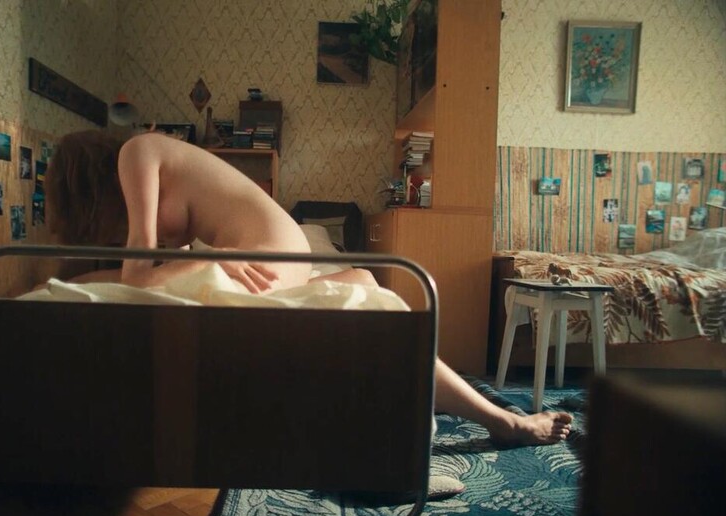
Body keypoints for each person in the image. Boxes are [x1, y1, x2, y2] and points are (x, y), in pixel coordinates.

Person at [46, 129, 572, 446]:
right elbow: (151, 273)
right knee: (366, 288)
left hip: (267, 258)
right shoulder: (158, 163)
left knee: (134, 291)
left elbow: (138, 276)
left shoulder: (136, 153)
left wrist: (209, 261)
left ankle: (493, 419)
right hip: (276, 257)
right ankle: (499, 419)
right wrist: (204, 261)